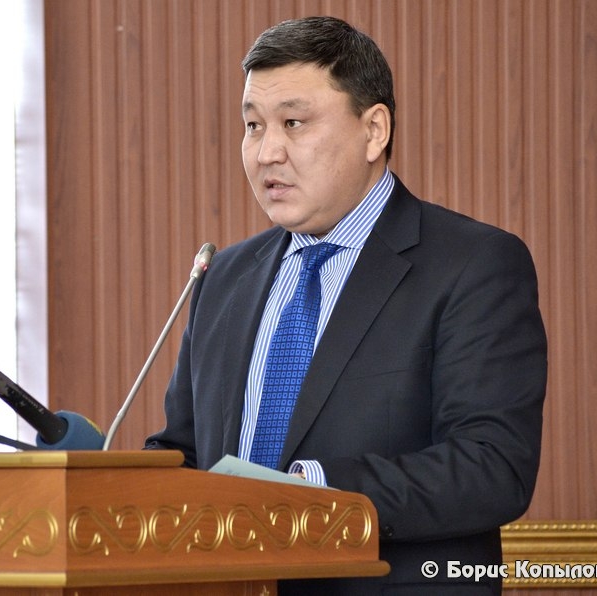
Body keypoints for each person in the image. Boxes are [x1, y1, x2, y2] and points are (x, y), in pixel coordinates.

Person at [145, 15, 547, 595]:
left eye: (294, 123)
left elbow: (492, 468)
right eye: (253, 126)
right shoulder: (224, 276)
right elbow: (184, 452)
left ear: (374, 130)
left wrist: (309, 492)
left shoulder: (472, 264)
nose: (267, 152)